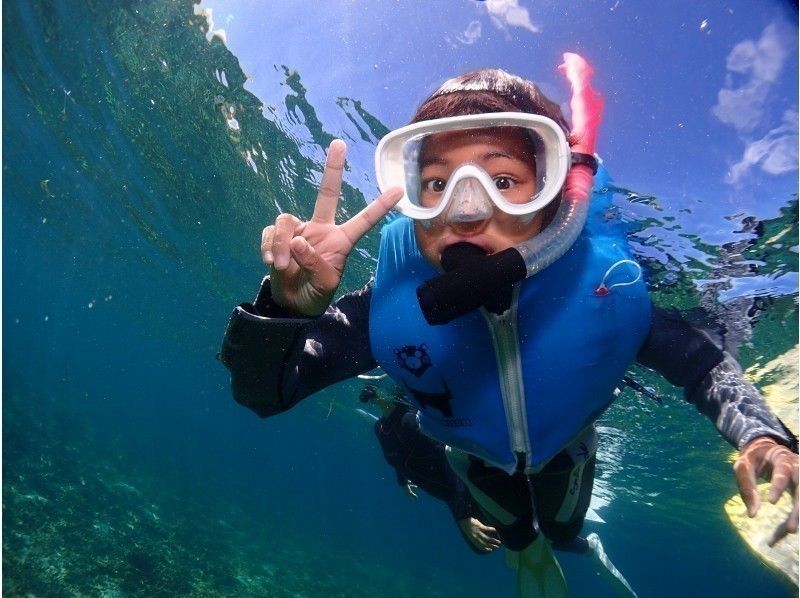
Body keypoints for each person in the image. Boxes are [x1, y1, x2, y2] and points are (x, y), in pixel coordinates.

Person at [219, 53, 798, 596]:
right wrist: (284, 310)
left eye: (503, 181)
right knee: (515, 531)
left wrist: (762, 436)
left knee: (564, 527)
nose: (465, 211)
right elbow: (264, 396)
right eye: (437, 184)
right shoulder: (389, 305)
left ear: (552, 197)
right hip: (474, 460)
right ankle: (526, 545)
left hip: (568, 452)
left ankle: (563, 540)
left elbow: (702, 366)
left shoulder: (603, 292)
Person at [358, 384, 502, 554]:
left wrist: (464, 516)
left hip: (466, 492)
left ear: (394, 391)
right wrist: (402, 481)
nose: (371, 390)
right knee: (486, 545)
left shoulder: (411, 421)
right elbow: (397, 458)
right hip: (451, 497)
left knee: (503, 540)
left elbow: (449, 462)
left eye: (376, 386)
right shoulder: (381, 428)